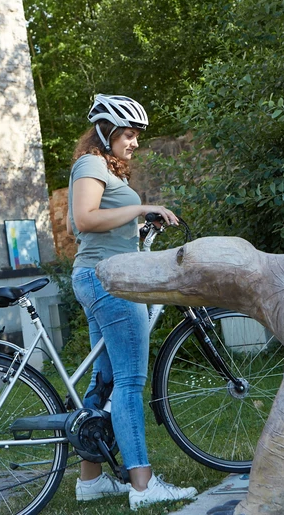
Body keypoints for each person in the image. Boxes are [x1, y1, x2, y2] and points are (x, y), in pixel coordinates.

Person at [67, 94, 197, 510]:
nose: (134, 142)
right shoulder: (90, 163)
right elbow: (85, 219)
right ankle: (142, 486)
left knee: (104, 380)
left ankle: (89, 481)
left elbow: (105, 228)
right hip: (108, 282)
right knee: (128, 382)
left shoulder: (105, 170)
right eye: (127, 134)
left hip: (104, 275)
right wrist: (142, 206)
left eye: (136, 135)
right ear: (105, 133)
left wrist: (141, 224)